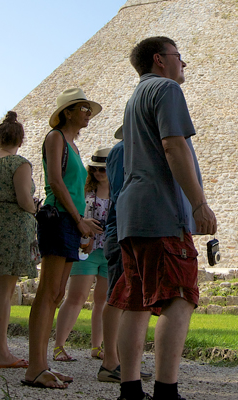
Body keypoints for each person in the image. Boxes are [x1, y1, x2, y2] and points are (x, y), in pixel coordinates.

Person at [108, 36, 217, 400]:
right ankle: (166, 391)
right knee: (179, 296)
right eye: (178, 57)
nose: (183, 64)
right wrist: (198, 204)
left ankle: (130, 388)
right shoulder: (166, 89)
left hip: (132, 212)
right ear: (159, 59)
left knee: (136, 300)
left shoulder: (134, 98)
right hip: (161, 210)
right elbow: (174, 145)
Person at [22, 88, 103, 389]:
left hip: (71, 223)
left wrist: (83, 224)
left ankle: (42, 365)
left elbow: (77, 188)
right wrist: (79, 220)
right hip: (58, 219)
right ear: (67, 112)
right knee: (48, 292)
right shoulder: (55, 138)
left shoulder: (75, 147)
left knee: (57, 295)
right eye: (83, 108)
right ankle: (35, 368)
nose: (87, 113)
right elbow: (56, 181)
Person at [0, 111, 38, 369]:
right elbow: (24, 200)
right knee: (4, 294)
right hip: (11, 231)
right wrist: (36, 209)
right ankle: (2, 353)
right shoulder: (20, 164)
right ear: (21, 139)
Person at [97, 128, 152, 383]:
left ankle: (123, 363)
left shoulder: (129, 150)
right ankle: (110, 362)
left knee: (128, 297)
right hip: (121, 230)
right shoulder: (122, 151)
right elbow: (122, 193)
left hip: (126, 229)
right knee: (117, 296)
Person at [53, 147, 111, 362]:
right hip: (86, 249)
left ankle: (97, 347)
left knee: (103, 301)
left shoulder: (120, 191)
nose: (97, 174)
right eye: (94, 169)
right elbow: (74, 214)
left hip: (110, 251)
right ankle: (59, 345)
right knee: (76, 297)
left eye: (102, 170)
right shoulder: (84, 190)